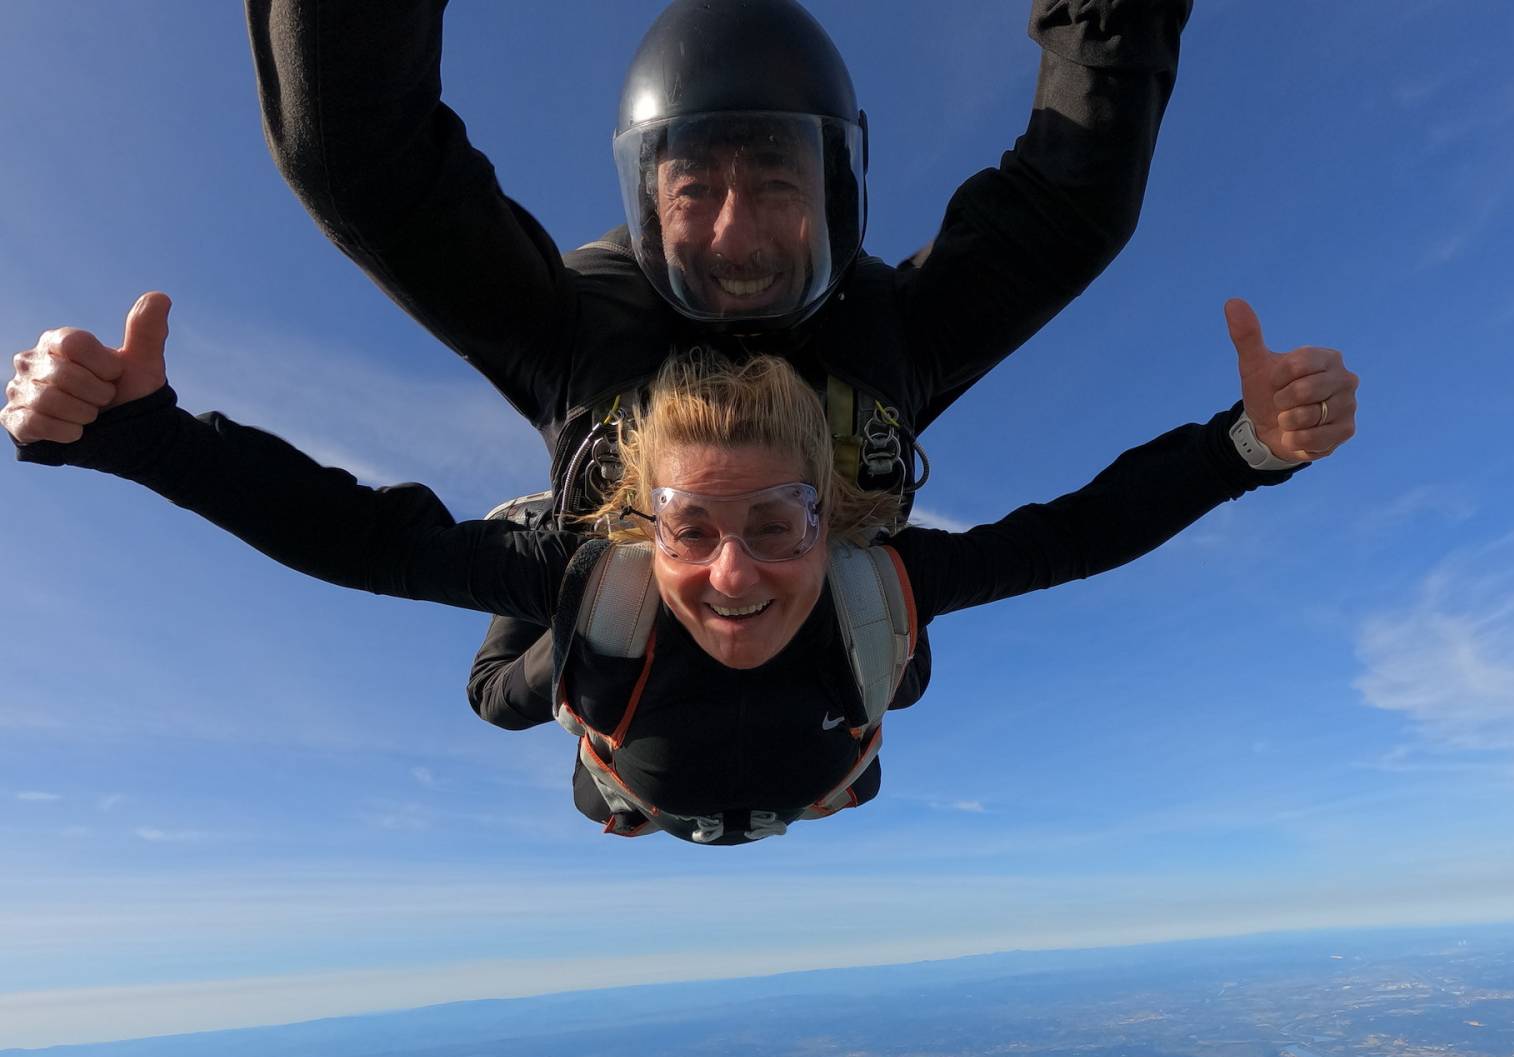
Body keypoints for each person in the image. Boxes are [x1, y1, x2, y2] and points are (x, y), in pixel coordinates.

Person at [5, 292, 1358, 845]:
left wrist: (1249, 445)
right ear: (645, 528)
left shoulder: (866, 585)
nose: (732, 575)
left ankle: (738, 759)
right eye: (694, 532)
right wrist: (145, 442)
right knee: (501, 685)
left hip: (793, 756)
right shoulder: (591, 576)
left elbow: (1071, 537)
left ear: (829, 523)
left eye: (778, 524)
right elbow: (360, 536)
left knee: (879, 674)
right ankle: (633, 732)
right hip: (637, 726)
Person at [245, 0, 1197, 730]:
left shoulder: (867, 337)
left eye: (777, 181)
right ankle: (606, 587)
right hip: (712, 683)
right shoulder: (585, 328)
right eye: (695, 187)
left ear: (833, 198)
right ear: (649, 207)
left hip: (683, 685)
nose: (736, 235)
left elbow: (359, 159)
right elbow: (1076, 210)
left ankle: (590, 584)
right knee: (884, 664)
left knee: (546, 673)